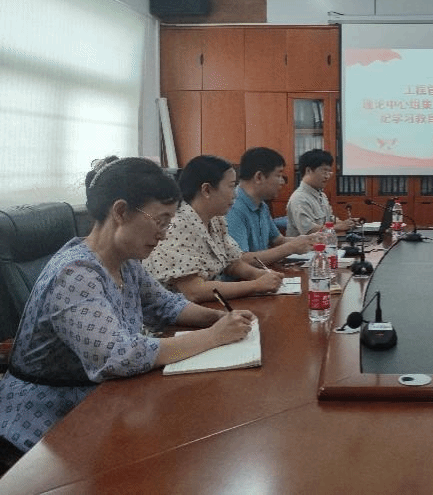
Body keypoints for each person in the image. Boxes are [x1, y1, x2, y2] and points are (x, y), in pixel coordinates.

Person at [0, 157, 256, 466]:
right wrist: (213, 337)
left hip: (102, 399)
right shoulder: (75, 273)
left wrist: (218, 318)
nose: (164, 234)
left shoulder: (126, 261)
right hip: (47, 424)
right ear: (120, 212)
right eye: (160, 221)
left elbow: (166, 304)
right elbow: (118, 356)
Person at [144, 155, 284, 303]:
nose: (235, 194)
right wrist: (255, 285)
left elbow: (232, 263)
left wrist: (259, 275)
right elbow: (194, 291)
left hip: (209, 305)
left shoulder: (215, 219)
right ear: (206, 190)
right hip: (177, 313)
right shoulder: (178, 225)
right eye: (231, 186)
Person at [226, 147, 314, 267]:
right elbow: (240, 260)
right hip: (247, 278)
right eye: (278, 175)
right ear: (259, 177)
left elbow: (278, 240)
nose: (282, 182)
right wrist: (291, 247)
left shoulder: (262, 205)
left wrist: (309, 240)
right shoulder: (232, 208)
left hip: (264, 273)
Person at [286, 149, 357, 236]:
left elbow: (330, 219)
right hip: (308, 244)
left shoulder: (322, 195)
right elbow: (309, 231)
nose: (327, 176)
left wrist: (347, 223)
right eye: (324, 171)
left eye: (329, 172)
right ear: (308, 170)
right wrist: (338, 227)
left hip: (324, 242)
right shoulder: (299, 198)